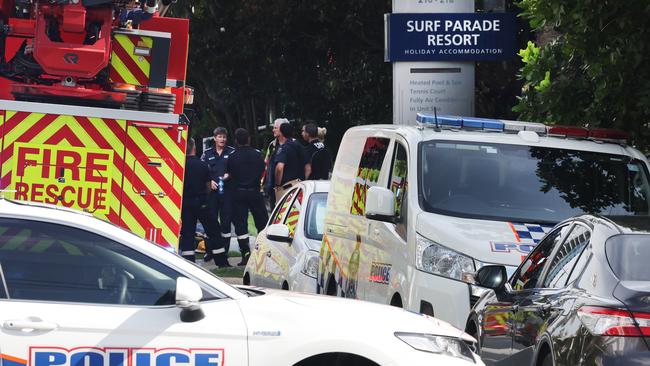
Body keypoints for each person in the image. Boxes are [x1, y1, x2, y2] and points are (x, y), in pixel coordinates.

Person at [178, 138, 227, 266]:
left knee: (187, 232)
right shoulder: (202, 165)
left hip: (186, 203)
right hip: (201, 203)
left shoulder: (180, 165)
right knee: (214, 230)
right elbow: (208, 185)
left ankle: (188, 261)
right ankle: (221, 261)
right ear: (194, 148)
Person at [227, 128, 269, 266]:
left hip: (238, 193)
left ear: (236, 141)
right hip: (255, 192)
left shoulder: (232, 156)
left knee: (241, 225)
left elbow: (230, 174)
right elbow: (263, 171)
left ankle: (245, 254)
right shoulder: (257, 155)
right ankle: (263, 252)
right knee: (262, 222)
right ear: (249, 139)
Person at [200, 127, 235, 265]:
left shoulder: (232, 152)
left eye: (224, 137)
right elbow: (201, 171)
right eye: (219, 137)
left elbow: (237, 169)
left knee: (226, 223)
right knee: (211, 222)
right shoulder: (206, 153)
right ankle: (210, 251)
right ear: (214, 138)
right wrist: (210, 181)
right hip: (212, 194)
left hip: (227, 193)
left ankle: (223, 252)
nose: (222, 139)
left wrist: (229, 175)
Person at [273, 123, 305, 201]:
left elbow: (279, 168)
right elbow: (307, 166)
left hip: (287, 188)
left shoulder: (284, 148)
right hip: (301, 185)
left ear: (281, 133)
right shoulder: (299, 146)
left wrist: (277, 185)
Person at [262, 118, 289, 209]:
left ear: (282, 129)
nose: (273, 130)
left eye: (275, 128)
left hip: (288, 186)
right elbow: (266, 163)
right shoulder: (272, 145)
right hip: (273, 187)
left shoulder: (292, 144)